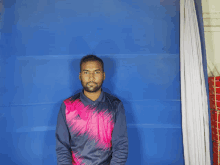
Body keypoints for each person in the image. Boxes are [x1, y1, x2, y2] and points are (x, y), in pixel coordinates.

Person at [55, 55, 129, 165]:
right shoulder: (67, 106)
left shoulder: (115, 105)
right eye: (86, 72)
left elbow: (121, 146)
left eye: (96, 72)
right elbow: (62, 148)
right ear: (80, 76)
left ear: (103, 75)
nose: (91, 77)